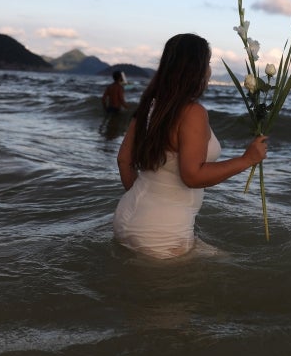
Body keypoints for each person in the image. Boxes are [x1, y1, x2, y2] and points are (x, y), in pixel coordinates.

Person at [113, 33, 268, 259]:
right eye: (207, 63)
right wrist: (247, 159)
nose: (209, 70)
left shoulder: (150, 105)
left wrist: (147, 204)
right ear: (196, 69)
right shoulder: (192, 112)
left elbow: (123, 160)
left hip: (126, 216)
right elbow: (192, 176)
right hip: (162, 233)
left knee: (221, 259)